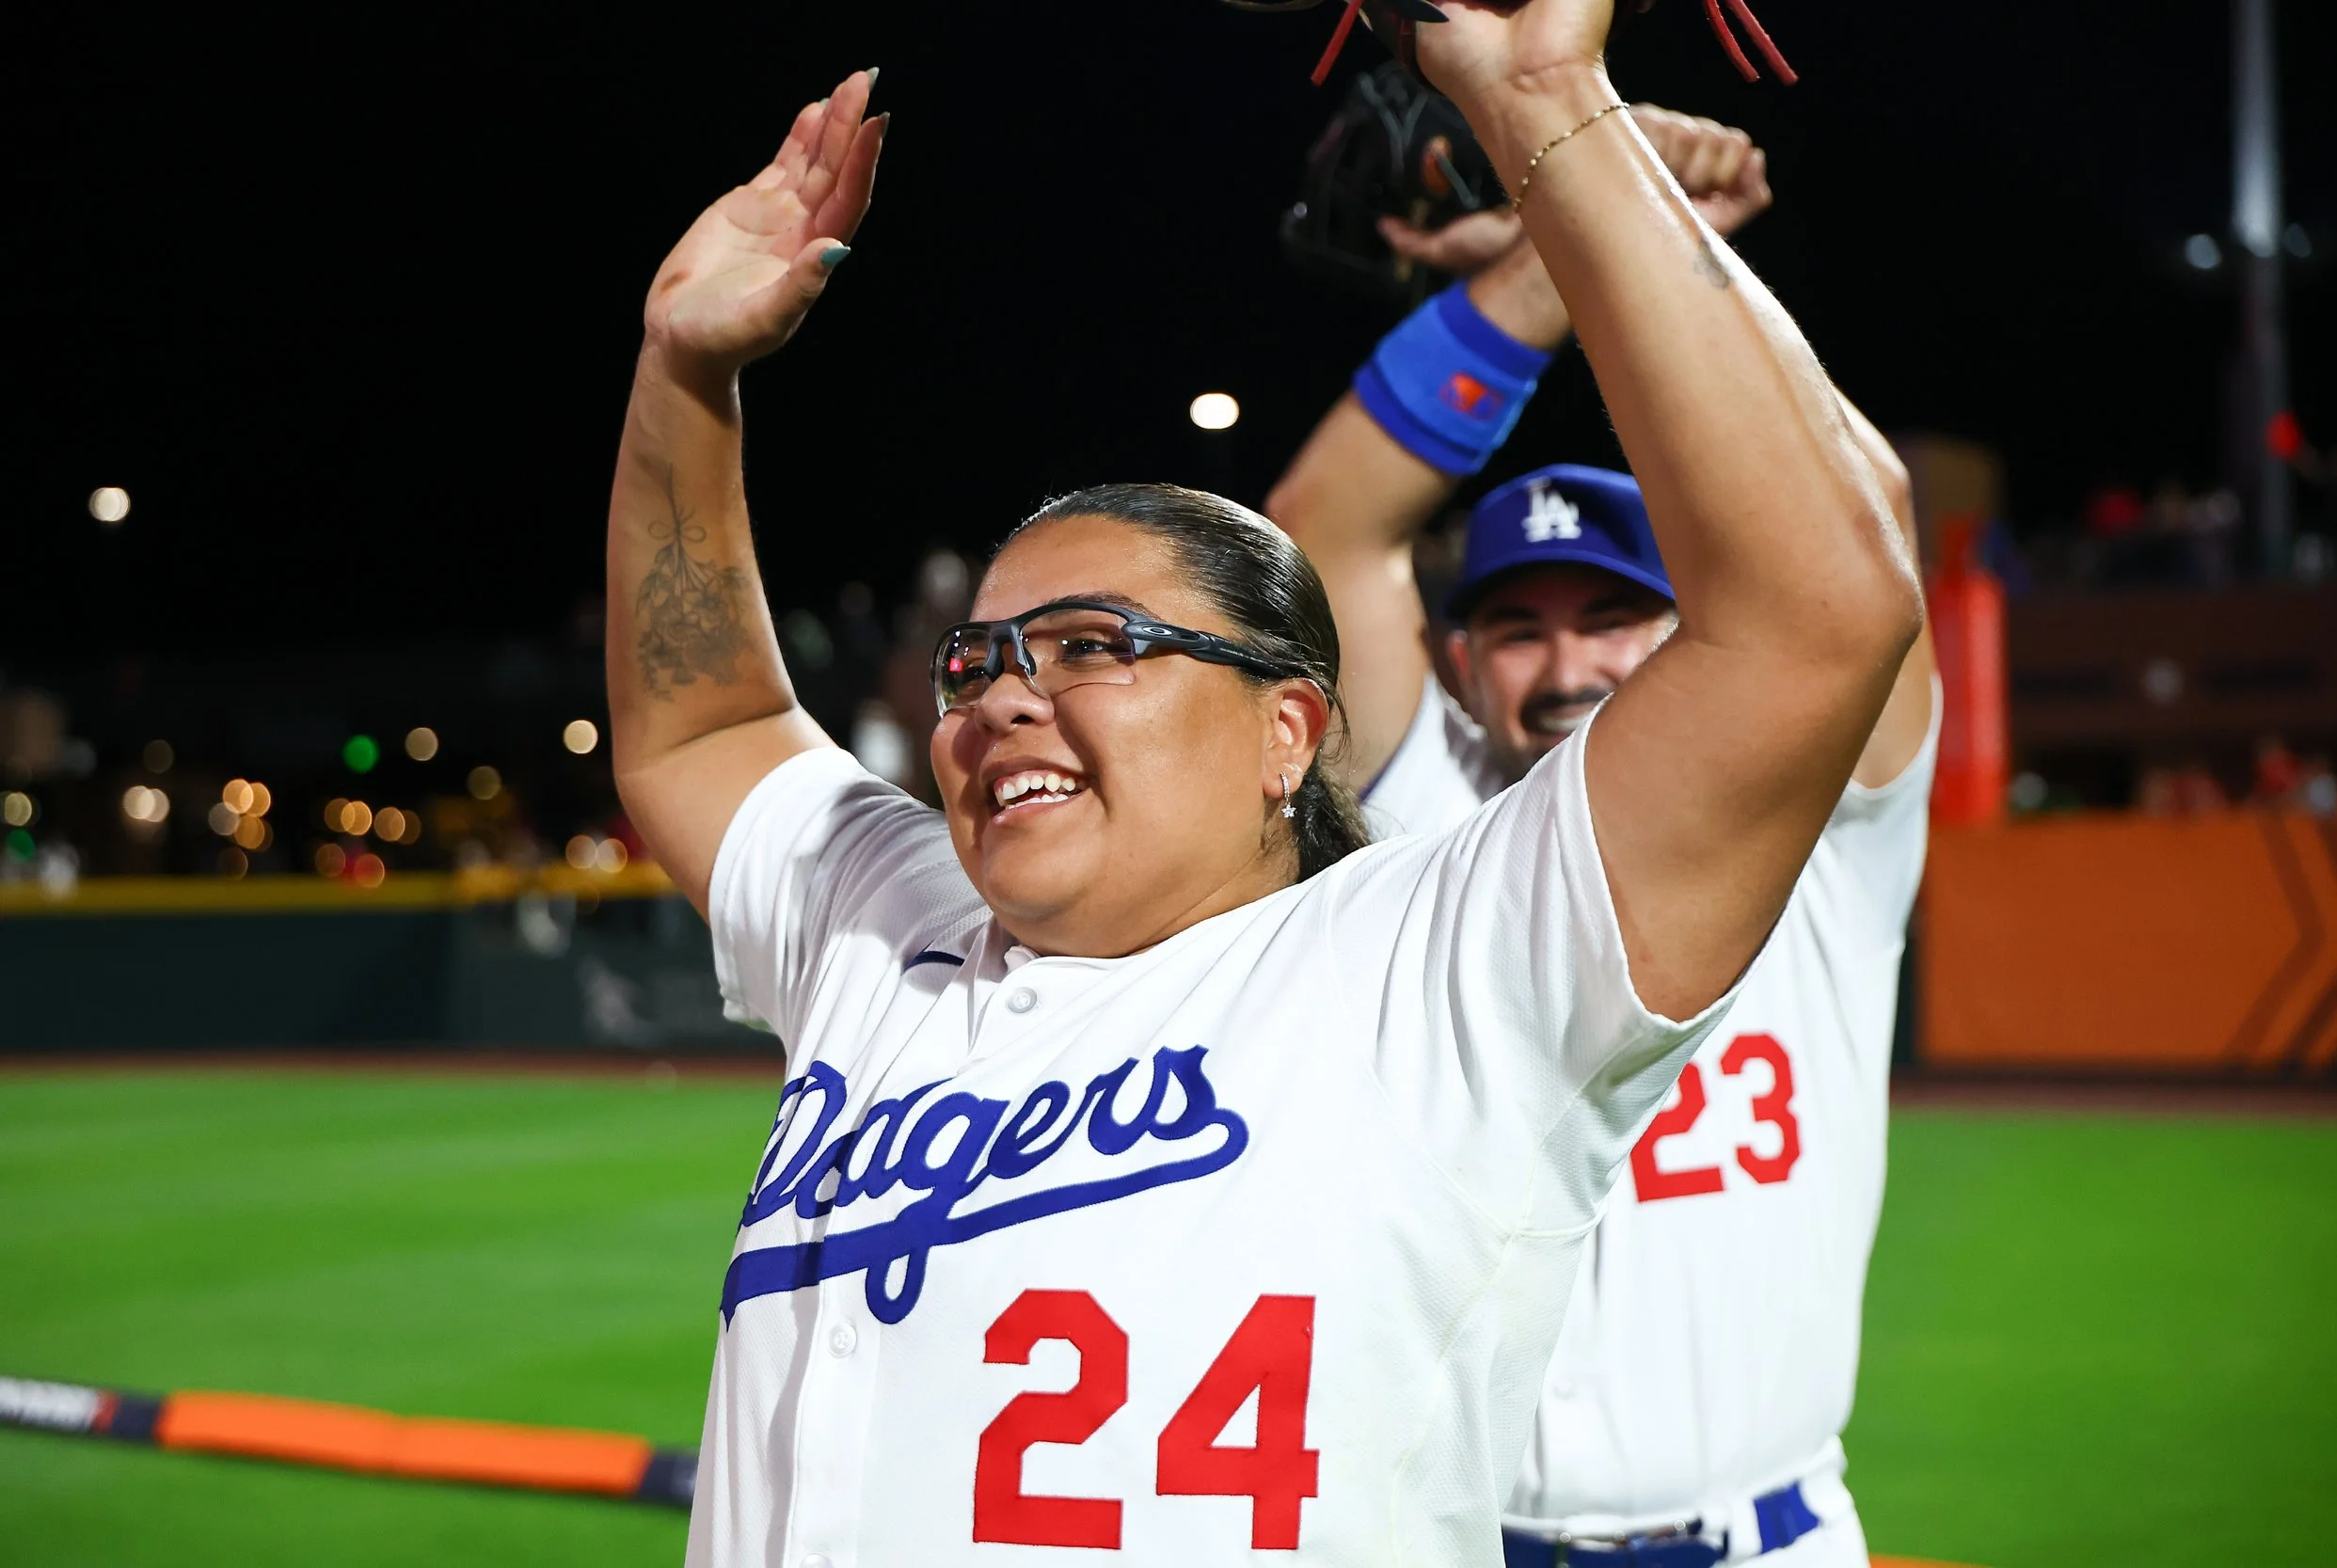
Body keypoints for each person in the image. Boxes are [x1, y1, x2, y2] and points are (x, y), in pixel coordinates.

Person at [605, 9, 1921, 1561]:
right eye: (978, 660)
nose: (1005, 690)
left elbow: (1821, 607)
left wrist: (1549, 105)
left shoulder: (1433, 961)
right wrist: (684, 374)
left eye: (1096, 643)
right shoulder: (891, 919)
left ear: (1290, 733)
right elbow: (699, 731)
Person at [1266, 108, 1939, 1567]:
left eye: (1610, 617)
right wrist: (1540, 265)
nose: (1563, 664)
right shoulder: (1429, 815)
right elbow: (1325, 532)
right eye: (1516, 626)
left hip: (1765, 1539)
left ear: (1692, 633)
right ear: (1456, 665)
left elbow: (1860, 515)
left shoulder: (1820, 824)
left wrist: (1614, 212)